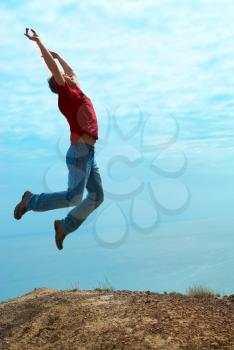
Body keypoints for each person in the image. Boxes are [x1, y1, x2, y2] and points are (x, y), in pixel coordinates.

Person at [14, 28, 104, 250]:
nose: (70, 76)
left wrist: (59, 56)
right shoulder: (67, 96)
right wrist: (40, 44)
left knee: (97, 196)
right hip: (80, 152)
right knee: (74, 197)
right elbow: (53, 69)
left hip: (88, 154)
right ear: (60, 83)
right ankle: (30, 201)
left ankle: (64, 227)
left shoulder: (78, 91)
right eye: (64, 77)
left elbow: (71, 70)